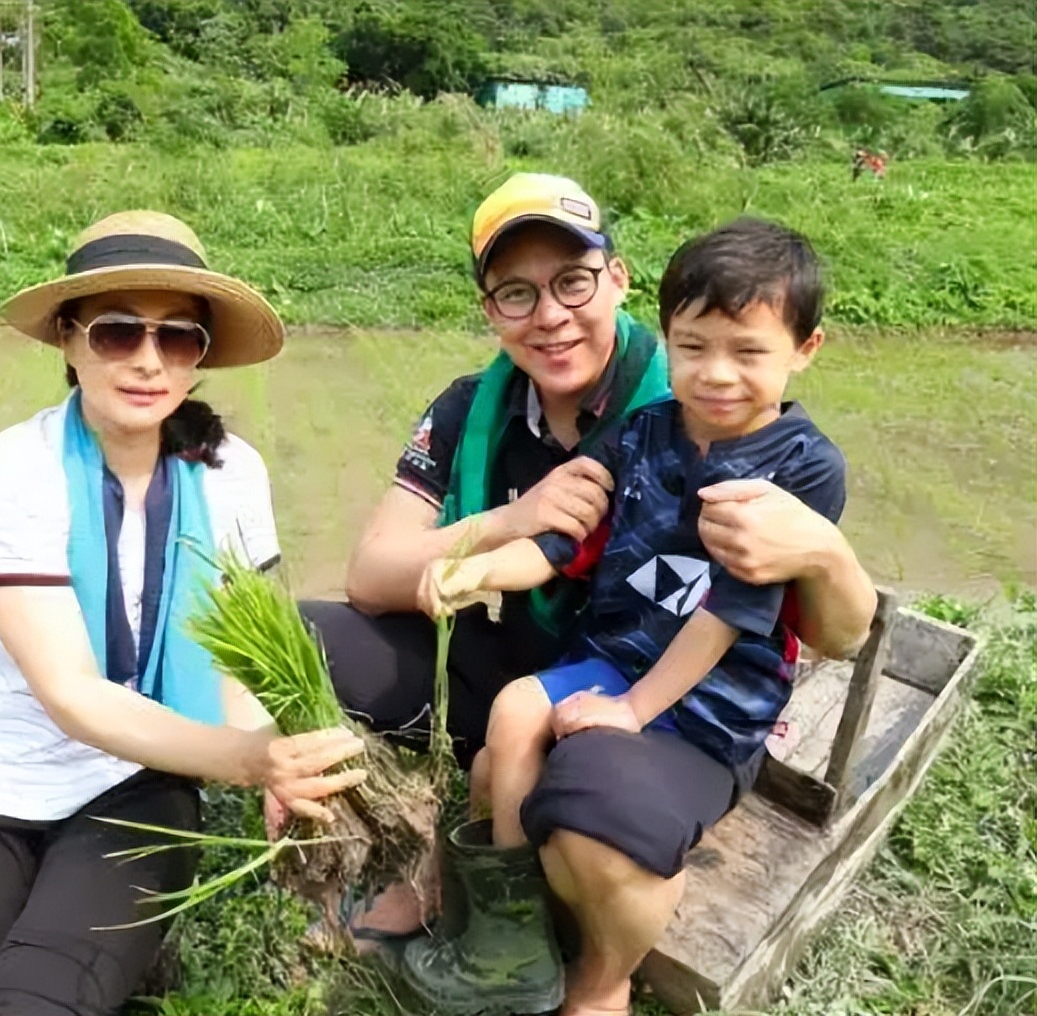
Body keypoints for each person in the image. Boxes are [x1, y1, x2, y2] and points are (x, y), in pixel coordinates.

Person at [299, 173, 877, 1016]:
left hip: (674, 689)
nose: (550, 315)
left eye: (572, 281)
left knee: (572, 797)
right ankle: (502, 930)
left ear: (617, 279)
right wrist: (491, 541)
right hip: (564, 657)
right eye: (517, 292)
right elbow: (427, 567)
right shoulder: (528, 417)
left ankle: (593, 974)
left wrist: (636, 706)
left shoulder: (733, 433)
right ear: (490, 309)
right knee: (365, 666)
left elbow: (798, 623)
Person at [0, 211, 366, 1016]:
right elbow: (71, 694)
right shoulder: (14, 470)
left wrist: (268, 752)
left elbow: (234, 649)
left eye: (177, 337)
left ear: (199, 355)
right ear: (68, 340)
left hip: (137, 786)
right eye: (117, 332)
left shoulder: (230, 474)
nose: (148, 360)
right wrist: (247, 760)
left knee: (33, 1004)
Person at [420, 218, 844, 868]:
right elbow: (562, 544)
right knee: (512, 713)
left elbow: (730, 612)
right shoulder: (642, 433)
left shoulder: (803, 468)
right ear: (665, 338)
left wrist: (631, 709)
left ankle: (537, 875)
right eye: (692, 347)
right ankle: (510, 896)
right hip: (618, 661)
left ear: (804, 348)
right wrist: (474, 571)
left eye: (748, 353)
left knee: (543, 782)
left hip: (716, 697)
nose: (717, 374)